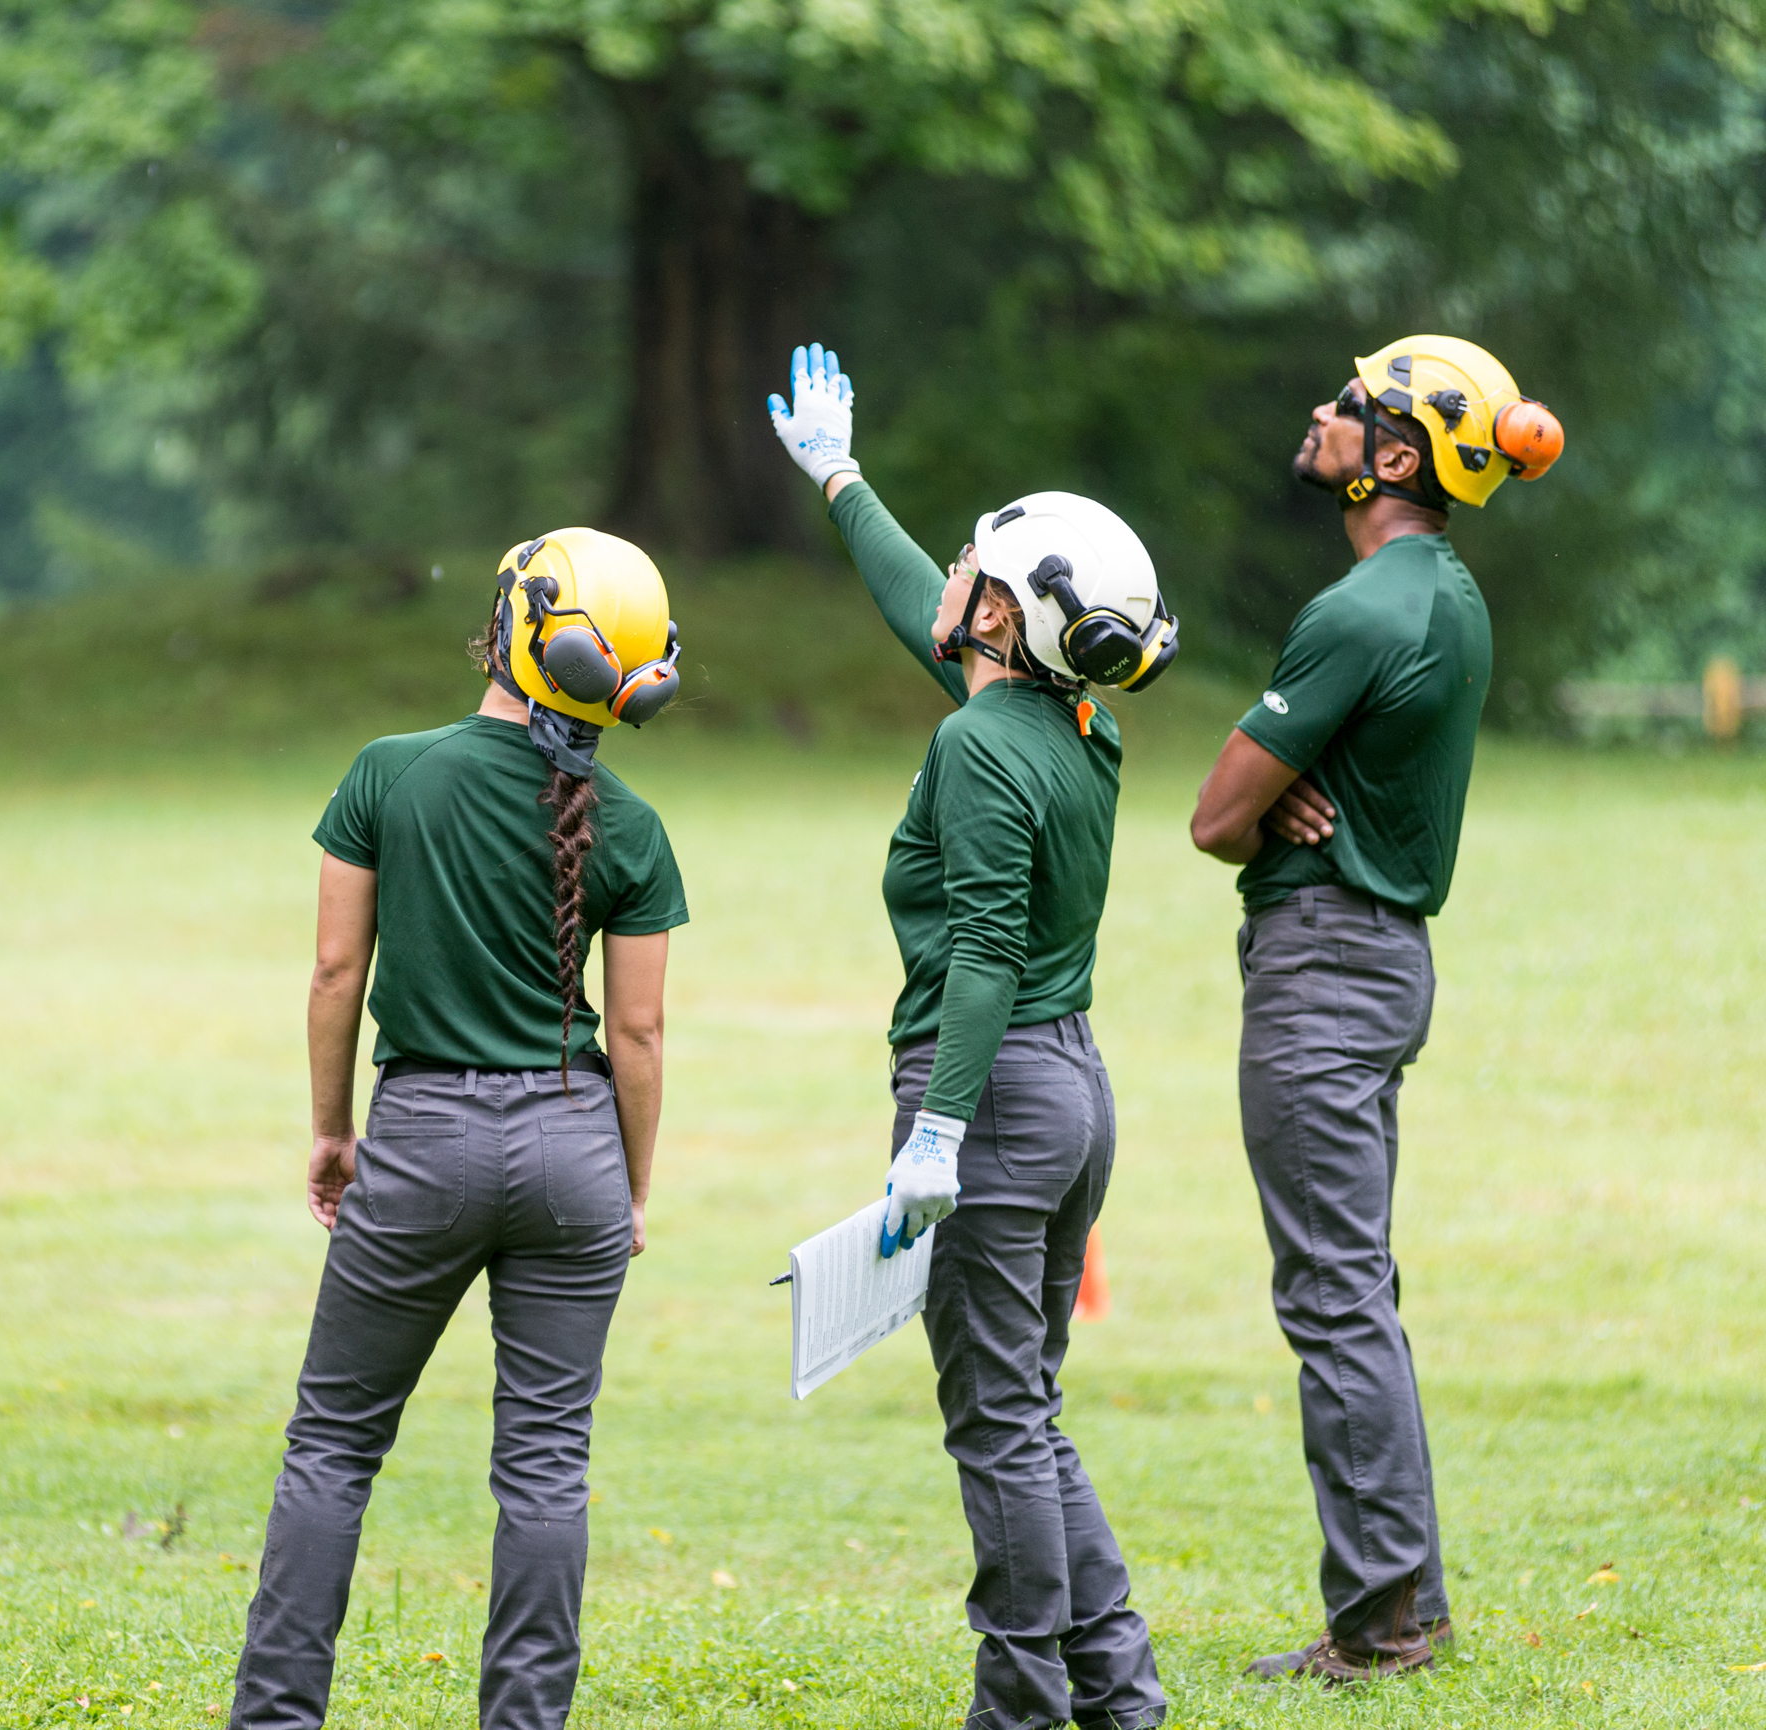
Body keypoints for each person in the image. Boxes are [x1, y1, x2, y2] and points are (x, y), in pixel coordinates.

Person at [769, 343, 1178, 1730]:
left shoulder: (977, 747)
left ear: (1000, 612)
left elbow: (986, 953)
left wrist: (936, 1128)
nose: (947, 572)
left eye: (969, 564)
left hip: (993, 1097)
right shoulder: (1071, 723)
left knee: (996, 1423)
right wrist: (840, 480)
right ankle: (1118, 1689)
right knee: (1026, 1407)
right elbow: (922, 617)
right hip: (1072, 1090)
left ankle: (1019, 1705)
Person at [227, 528, 691, 1730]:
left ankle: (274, 1717)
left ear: (510, 631)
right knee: (545, 1466)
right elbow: (637, 1036)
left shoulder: (389, 774)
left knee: (333, 1445)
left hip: (421, 1137)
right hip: (575, 1151)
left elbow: (335, 973)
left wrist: (332, 1129)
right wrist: (630, 1188)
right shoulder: (633, 826)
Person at [1187, 337, 1564, 1685]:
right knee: (1359, 1285)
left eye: (1350, 405)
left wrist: (1273, 795)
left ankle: (1382, 1622)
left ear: (1394, 456)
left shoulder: (1356, 611)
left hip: (1322, 970)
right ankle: (1414, 1597)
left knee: (1333, 1292)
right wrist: (1293, 783)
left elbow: (1212, 817)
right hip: (1386, 962)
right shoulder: (1448, 595)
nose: (1323, 410)